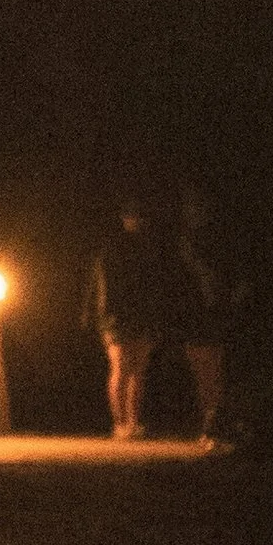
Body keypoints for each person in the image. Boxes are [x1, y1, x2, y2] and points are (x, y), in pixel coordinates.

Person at [84, 192, 171, 440]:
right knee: (121, 367)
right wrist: (104, 315)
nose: (137, 222)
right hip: (117, 317)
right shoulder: (112, 248)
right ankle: (119, 422)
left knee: (138, 370)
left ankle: (134, 421)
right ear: (124, 219)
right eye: (133, 217)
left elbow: (155, 284)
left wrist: (155, 315)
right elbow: (101, 284)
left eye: (141, 218)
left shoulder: (150, 247)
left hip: (142, 315)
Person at [172, 181, 232, 443]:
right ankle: (212, 423)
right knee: (207, 373)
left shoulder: (203, 239)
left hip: (207, 315)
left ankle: (214, 424)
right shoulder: (191, 239)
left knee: (211, 372)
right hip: (198, 315)